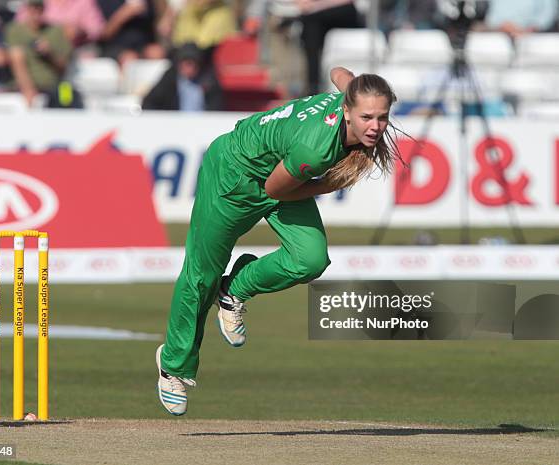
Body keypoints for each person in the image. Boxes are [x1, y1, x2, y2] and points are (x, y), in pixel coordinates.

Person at [155, 67, 402, 415]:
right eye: (366, 117)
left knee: (310, 259)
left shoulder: (353, 96)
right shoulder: (315, 150)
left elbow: (337, 72)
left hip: (279, 171)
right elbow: (276, 190)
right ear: (346, 110)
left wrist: (357, 95)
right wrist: (331, 184)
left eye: (382, 117)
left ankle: (234, 290)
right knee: (201, 276)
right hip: (235, 174)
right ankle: (173, 367)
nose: (375, 126)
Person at [5, 0, 73, 106]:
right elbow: (16, 61)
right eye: (32, 8)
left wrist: (49, 53)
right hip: (26, 87)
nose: (36, 13)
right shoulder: (15, 30)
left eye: (39, 8)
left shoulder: (56, 31)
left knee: (69, 100)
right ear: (26, 9)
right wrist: (28, 89)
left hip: (54, 86)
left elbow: (64, 67)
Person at [141, 42, 223, 111]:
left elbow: (216, 106)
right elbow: (150, 102)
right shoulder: (170, 78)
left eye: (192, 63)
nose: (189, 68)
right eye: (186, 63)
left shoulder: (209, 80)